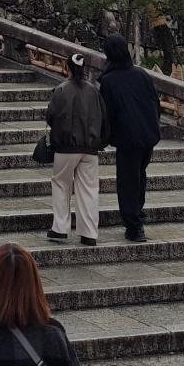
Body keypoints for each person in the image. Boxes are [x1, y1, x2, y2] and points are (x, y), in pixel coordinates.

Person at [98, 33, 161, 241]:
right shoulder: (141, 75)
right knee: (139, 177)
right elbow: (155, 104)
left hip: (127, 138)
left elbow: (108, 114)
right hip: (148, 135)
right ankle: (137, 215)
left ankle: (134, 225)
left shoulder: (108, 80)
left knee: (128, 181)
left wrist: (104, 138)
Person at [46, 52, 107, 247]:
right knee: (88, 189)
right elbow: (104, 118)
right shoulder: (94, 91)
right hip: (90, 147)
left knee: (61, 184)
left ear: (68, 68)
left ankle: (60, 227)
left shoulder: (61, 90)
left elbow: (51, 115)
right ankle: (89, 232)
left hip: (65, 146)